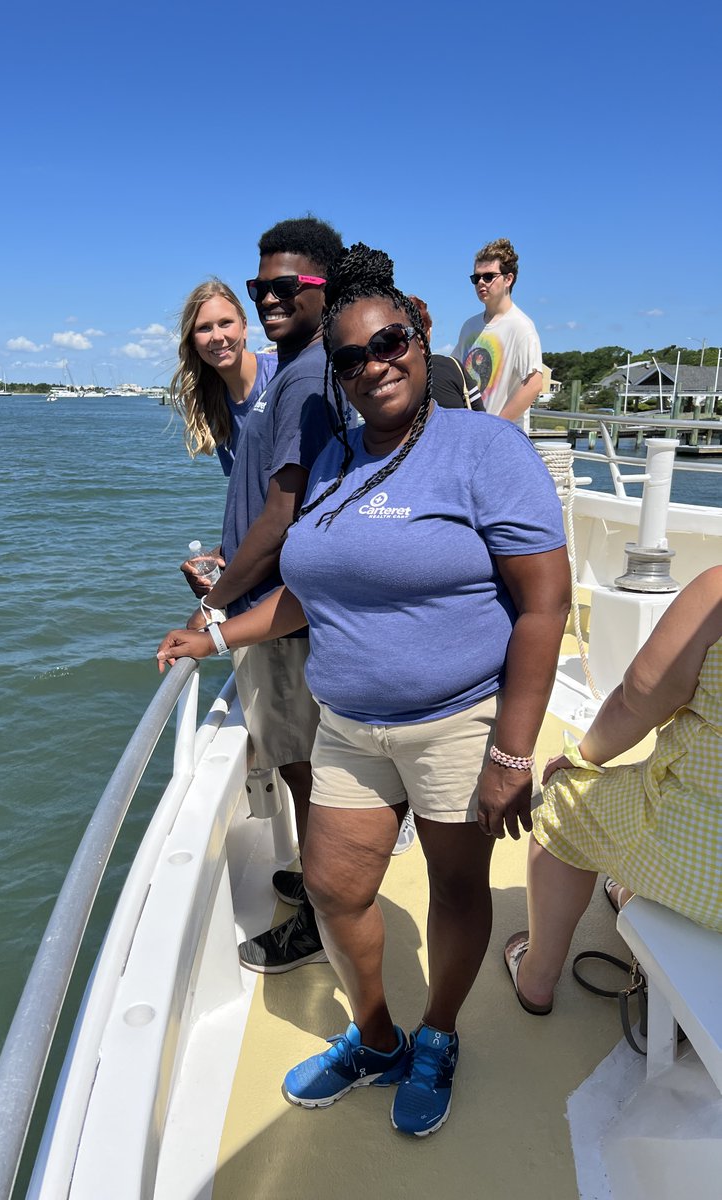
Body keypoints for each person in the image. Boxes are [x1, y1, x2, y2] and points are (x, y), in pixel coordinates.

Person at [158, 243, 570, 1137]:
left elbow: (545, 604)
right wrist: (218, 630)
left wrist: (512, 751)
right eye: (350, 358)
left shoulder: (485, 450)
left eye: (389, 344)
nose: (373, 366)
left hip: (459, 722)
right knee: (337, 889)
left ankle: (439, 1037)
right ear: (337, 375)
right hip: (348, 723)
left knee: (456, 894)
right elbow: (307, 591)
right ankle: (377, 1039)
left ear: (422, 344)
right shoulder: (337, 459)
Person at [182, 217, 347, 974]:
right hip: (268, 597)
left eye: (286, 287)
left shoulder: (304, 376)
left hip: (280, 613)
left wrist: (213, 612)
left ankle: (320, 918)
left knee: (304, 769)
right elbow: (266, 501)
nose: (271, 298)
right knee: (294, 761)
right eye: (262, 287)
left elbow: (283, 515)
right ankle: (316, 882)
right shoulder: (295, 372)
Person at [504, 566, 722, 1015]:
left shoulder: (716, 593)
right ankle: (629, 890)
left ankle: (537, 976)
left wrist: (582, 756)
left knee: (566, 801)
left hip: (704, 871)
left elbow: (637, 698)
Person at [169, 280, 277, 479]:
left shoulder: (280, 376)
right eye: (204, 328)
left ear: (244, 327)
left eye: (226, 323)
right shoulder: (214, 404)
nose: (217, 337)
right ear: (192, 340)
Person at [452, 238, 543, 427]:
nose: (481, 283)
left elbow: (534, 384)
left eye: (488, 277)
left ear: (508, 279)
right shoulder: (469, 326)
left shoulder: (521, 326)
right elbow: (455, 373)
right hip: (470, 433)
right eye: (476, 278)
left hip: (503, 441)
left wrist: (496, 428)